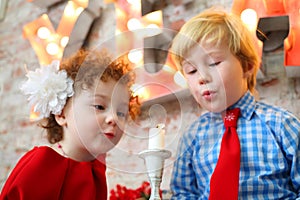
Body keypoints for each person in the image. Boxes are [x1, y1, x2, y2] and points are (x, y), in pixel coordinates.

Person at [169, 7, 300, 199]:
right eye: (191, 71)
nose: (202, 78)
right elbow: (183, 194)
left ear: (246, 66)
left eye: (214, 63)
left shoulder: (282, 125)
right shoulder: (192, 138)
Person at [0, 49, 139, 199]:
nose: (114, 118)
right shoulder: (42, 164)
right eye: (99, 106)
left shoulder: (96, 171)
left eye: (121, 113)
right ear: (61, 114)